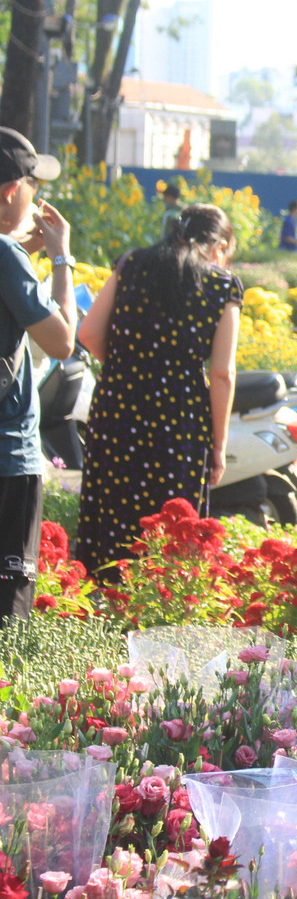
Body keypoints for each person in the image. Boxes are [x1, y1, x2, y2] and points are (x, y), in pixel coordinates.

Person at [75, 204, 242, 576]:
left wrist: (127, 365)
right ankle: (160, 619)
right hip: (178, 418)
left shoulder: (131, 265)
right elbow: (222, 373)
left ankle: (103, 607)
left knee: (112, 515)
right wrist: (218, 445)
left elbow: (87, 334)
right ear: (219, 247)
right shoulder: (222, 285)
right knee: (171, 527)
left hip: (117, 407)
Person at [0, 127, 78, 620]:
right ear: (12, 189)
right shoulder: (6, 258)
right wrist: (60, 258)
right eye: (34, 183)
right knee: (8, 614)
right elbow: (63, 340)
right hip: (8, 458)